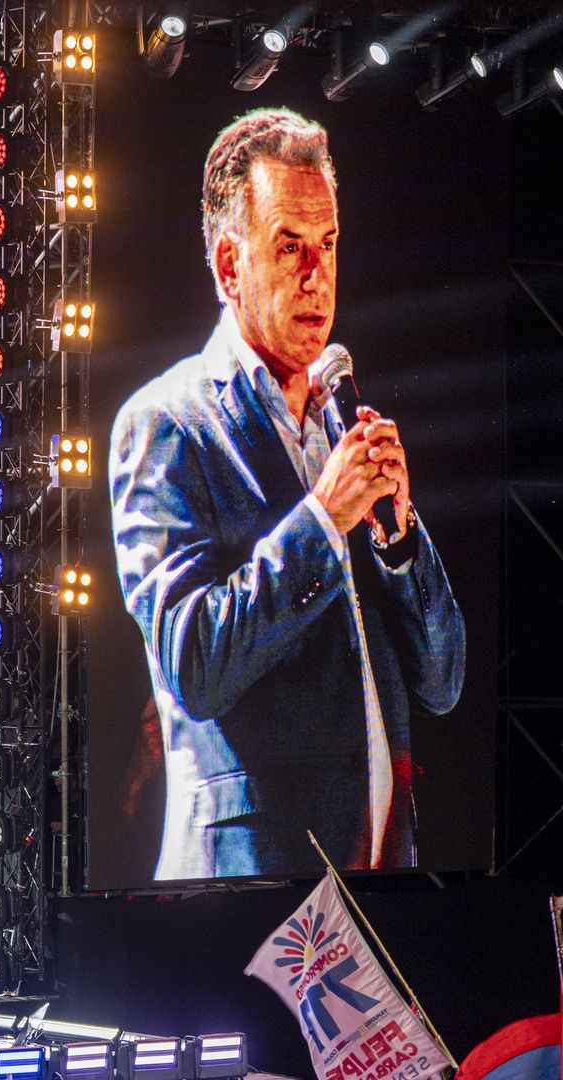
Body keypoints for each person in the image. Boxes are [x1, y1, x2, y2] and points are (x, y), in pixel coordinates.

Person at [108, 107, 465, 882]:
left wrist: (398, 543)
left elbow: (443, 682)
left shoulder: (340, 418)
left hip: (384, 879)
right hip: (248, 889)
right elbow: (194, 663)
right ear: (229, 266)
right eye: (290, 247)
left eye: (329, 243)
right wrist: (321, 520)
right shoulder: (165, 423)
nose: (318, 274)